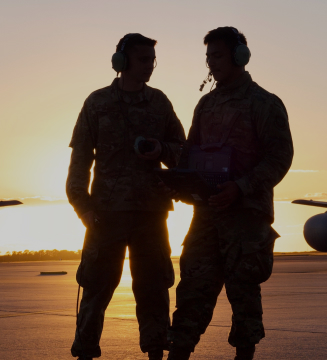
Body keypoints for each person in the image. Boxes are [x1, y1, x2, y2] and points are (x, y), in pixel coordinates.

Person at [166, 27, 293, 360]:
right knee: (192, 291)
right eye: (208, 57)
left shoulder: (264, 103)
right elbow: (189, 153)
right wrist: (180, 181)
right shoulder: (205, 105)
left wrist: (241, 187)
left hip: (246, 219)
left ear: (240, 56)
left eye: (218, 55)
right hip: (207, 216)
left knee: (244, 298)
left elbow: (280, 157)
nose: (211, 63)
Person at [66, 33, 185, 360]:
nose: (150, 66)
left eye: (152, 60)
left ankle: (156, 351)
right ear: (122, 62)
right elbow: (79, 164)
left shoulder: (159, 103)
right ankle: (85, 352)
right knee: (95, 290)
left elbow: (184, 154)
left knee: (154, 290)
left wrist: (162, 149)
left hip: (150, 216)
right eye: (143, 59)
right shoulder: (97, 103)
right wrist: (84, 209)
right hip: (105, 217)